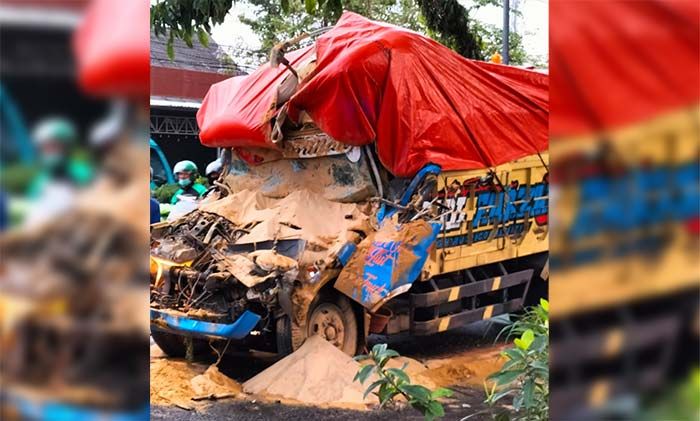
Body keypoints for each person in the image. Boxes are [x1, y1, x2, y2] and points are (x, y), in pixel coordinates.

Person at [27, 117, 93, 197]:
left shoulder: (83, 172)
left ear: (67, 146)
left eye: (54, 146)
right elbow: (33, 203)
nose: (49, 151)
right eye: (44, 147)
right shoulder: (40, 180)